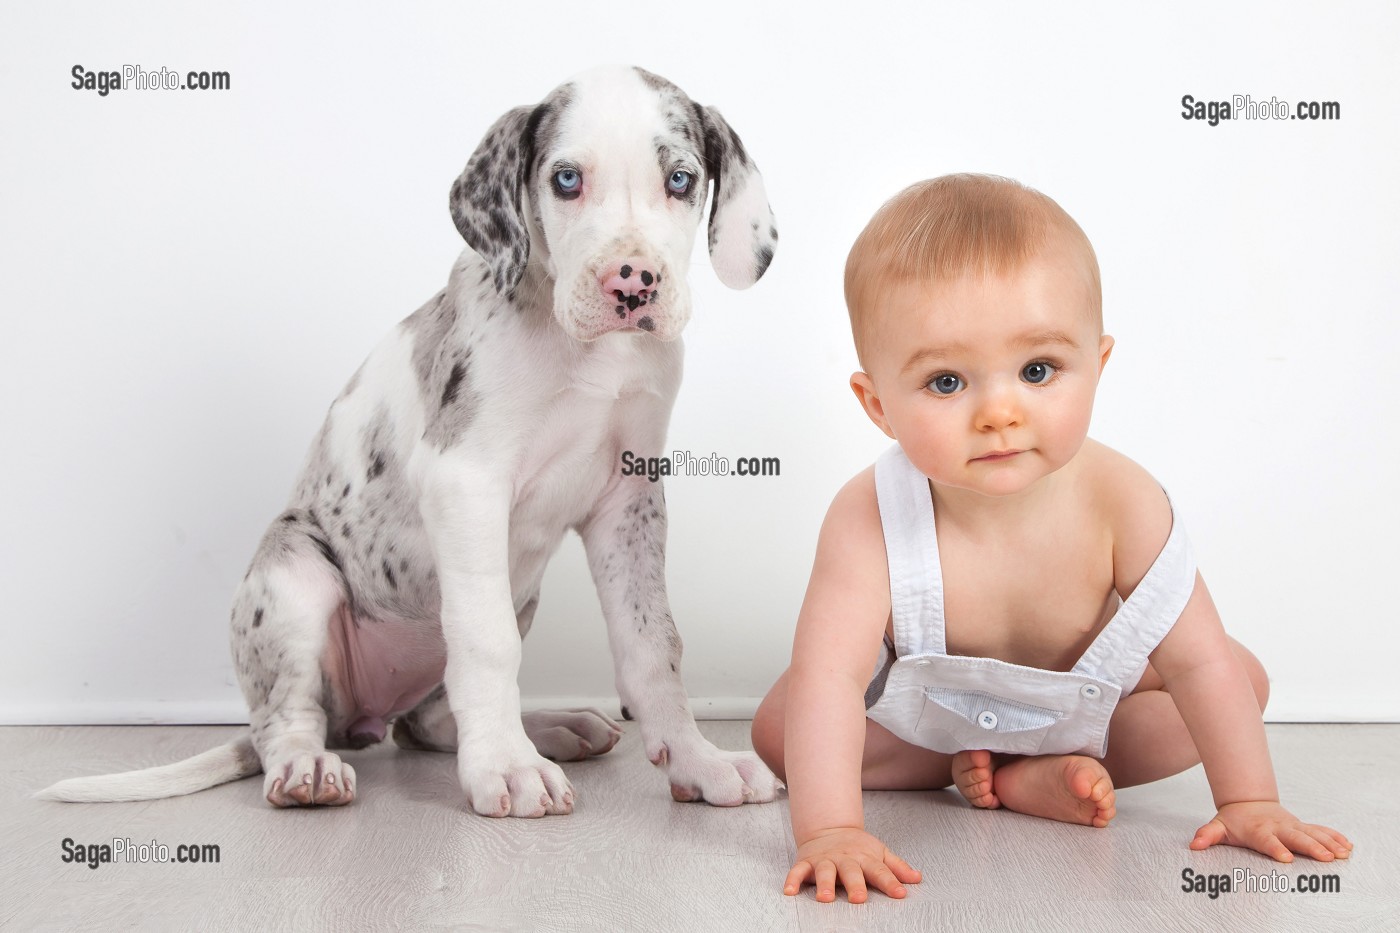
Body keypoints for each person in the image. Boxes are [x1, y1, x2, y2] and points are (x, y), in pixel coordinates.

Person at [750, 174, 1352, 904]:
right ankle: (974, 768)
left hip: (1085, 710)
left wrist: (1249, 799)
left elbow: (1195, 662)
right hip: (937, 719)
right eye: (946, 382)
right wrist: (831, 828)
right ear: (878, 404)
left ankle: (1024, 770)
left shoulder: (1123, 500)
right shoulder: (868, 513)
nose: (999, 412)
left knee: (1238, 678)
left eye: (1038, 370)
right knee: (784, 720)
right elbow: (833, 677)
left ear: (1096, 366)